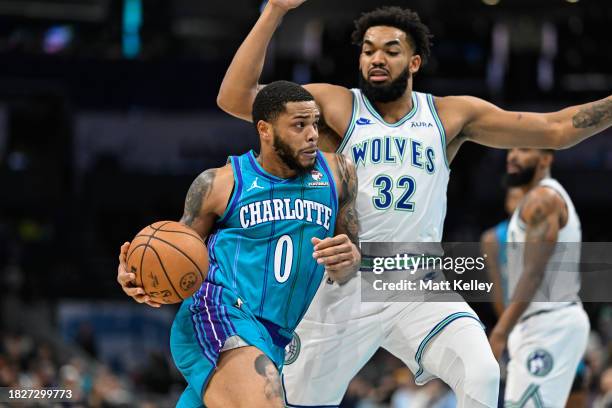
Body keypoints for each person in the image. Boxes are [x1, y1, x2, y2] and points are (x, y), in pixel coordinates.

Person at [216, 1, 612, 406]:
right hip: (342, 284)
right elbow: (235, 98)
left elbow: (557, 129)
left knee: (482, 371)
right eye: (368, 49)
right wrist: (274, 12)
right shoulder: (334, 105)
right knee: (294, 401)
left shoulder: (448, 114)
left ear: (415, 62)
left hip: (416, 283)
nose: (376, 58)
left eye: (391, 49)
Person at [116, 81, 361, 407]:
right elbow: (175, 250)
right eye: (299, 125)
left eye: (315, 123)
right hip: (220, 314)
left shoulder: (339, 173)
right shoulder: (219, 183)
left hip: (276, 338)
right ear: (265, 130)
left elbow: (351, 253)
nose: (313, 134)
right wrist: (137, 275)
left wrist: (351, 258)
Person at [489, 148, 589, 407]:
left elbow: (534, 273)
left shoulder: (543, 199)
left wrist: (499, 334)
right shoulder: (531, 201)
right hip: (537, 324)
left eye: (523, 149)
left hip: (549, 324)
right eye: (511, 148)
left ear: (546, 158)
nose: (512, 155)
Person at [481, 187, 524, 318]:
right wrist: (505, 324)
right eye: (515, 198)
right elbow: (496, 287)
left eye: (525, 198)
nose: (520, 203)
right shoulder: (492, 239)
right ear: (507, 202)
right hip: (508, 314)